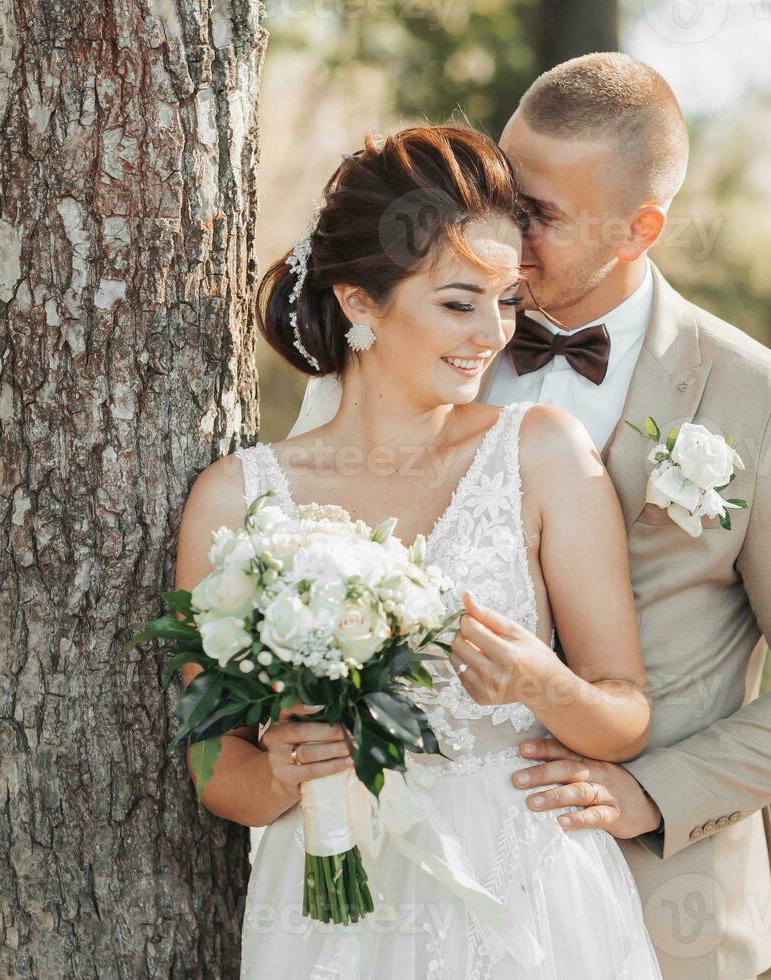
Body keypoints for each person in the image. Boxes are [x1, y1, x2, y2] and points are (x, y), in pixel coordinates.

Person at [290, 54, 771, 979]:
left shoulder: (760, 402)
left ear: (638, 228)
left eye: (543, 219)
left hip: (661, 902)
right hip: (420, 887)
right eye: (504, 191)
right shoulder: (423, 337)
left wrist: (653, 793)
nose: (503, 235)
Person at [177, 123, 665, 978]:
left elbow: (625, 717)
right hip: (332, 897)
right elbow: (214, 763)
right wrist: (283, 772)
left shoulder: (543, 455)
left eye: (507, 299)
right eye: (457, 301)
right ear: (362, 301)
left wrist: (541, 684)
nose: (491, 333)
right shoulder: (236, 498)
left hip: (524, 893)